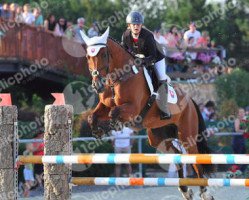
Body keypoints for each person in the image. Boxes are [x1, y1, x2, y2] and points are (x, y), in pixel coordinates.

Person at [121, 11, 171, 119]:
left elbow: (152, 56)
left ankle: (164, 108)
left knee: (161, 78)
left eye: (138, 24)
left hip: (156, 58)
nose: (136, 26)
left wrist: (142, 61)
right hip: (139, 59)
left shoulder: (148, 36)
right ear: (129, 26)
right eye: (133, 24)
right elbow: (123, 52)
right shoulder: (125, 36)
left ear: (141, 25)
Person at [232, 108, 247, 173]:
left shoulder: (245, 121)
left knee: (245, 157)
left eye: (243, 112)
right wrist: (246, 131)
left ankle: (241, 171)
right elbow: (237, 130)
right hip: (237, 142)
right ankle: (235, 172)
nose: (242, 114)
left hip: (243, 141)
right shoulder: (237, 120)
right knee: (237, 158)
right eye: (240, 112)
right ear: (238, 114)